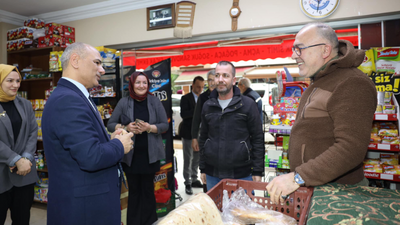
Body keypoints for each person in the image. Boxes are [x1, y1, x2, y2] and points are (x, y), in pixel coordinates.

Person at [266, 23, 377, 204]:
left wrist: (298, 177)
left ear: (325, 51)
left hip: (339, 195)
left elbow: (351, 148)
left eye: (299, 49)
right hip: (317, 189)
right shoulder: (320, 80)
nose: (294, 55)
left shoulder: (352, 83)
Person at [42, 42, 134, 225]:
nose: (101, 69)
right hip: (83, 210)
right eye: (97, 63)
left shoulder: (75, 96)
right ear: (75, 60)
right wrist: (119, 145)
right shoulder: (68, 100)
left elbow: (83, 144)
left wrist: (110, 139)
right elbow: (90, 156)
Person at [107, 71, 168, 225]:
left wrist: (149, 128)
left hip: (150, 155)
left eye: (145, 83)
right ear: (132, 84)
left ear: (148, 85)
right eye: (138, 82)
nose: (142, 86)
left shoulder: (154, 102)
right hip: (130, 156)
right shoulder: (123, 102)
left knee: (148, 191)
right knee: (134, 192)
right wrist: (125, 126)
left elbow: (164, 125)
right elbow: (110, 124)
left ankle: (149, 222)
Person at [198, 61, 265, 190]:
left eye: (225, 75)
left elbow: (257, 138)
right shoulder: (207, 105)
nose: (220, 80)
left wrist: (257, 170)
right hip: (213, 174)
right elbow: (203, 138)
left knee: (242, 211)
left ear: (234, 80)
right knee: (215, 210)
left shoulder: (248, 104)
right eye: (217, 75)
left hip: (242, 174)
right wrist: (203, 168)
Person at [0, 64, 38, 225]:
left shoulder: (25, 104)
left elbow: (33, 132)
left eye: (18, 81)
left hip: (24, 173)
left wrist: (26, 158)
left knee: (22, 219)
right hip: (1, 175)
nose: (15, 85)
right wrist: (15, 159)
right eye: (10, 81)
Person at [179, 76, 205, 195]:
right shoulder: (185, 98)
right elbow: (184, 114)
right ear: (193, 85)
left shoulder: (204, 98)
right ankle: (187, 182)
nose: (200, 89)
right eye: (198, 86)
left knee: (197, 157)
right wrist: (198, 110)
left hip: (201, 133)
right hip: (188, 133)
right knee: (188, 158)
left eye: (202, 87)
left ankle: (194, 179)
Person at [191, 70, 216, 153]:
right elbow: (196, 118)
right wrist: (194, 138)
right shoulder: (202, 97)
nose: (212, 83)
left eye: (214, 79)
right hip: (207, 136)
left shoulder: (224, 95)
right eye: (209, 80)